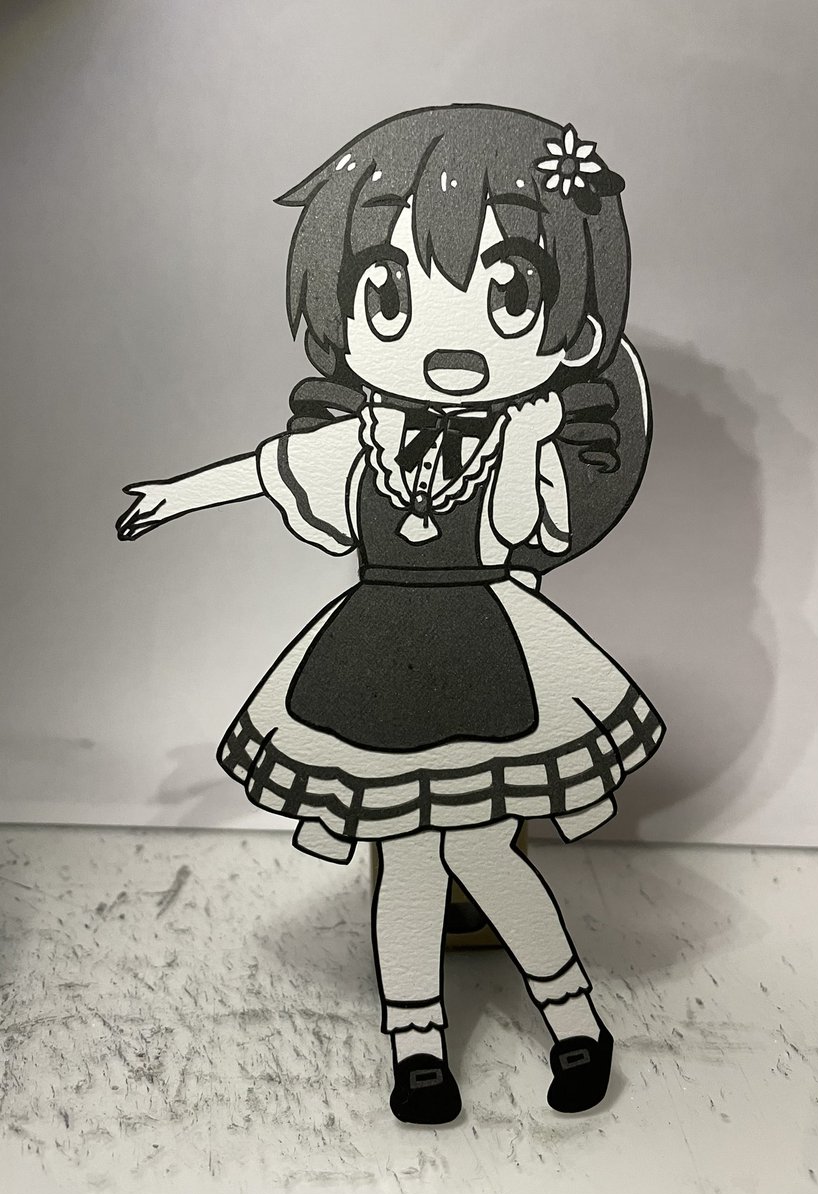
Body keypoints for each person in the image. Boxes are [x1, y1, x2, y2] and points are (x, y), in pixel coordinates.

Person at [117, 104, 664, 1124]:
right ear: (343, 313)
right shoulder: (361, 439)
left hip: (488, 653)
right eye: (389, 293)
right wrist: (173, 496)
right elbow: (264, 468)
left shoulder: (515, 437)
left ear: (578, 329)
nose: (449, 342)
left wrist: (529, 439)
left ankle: (575, 1022)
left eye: (509, 294)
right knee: (408, 859)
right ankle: (417, 1048)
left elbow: (520, 529)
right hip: (378, 656)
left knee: (482, 850)